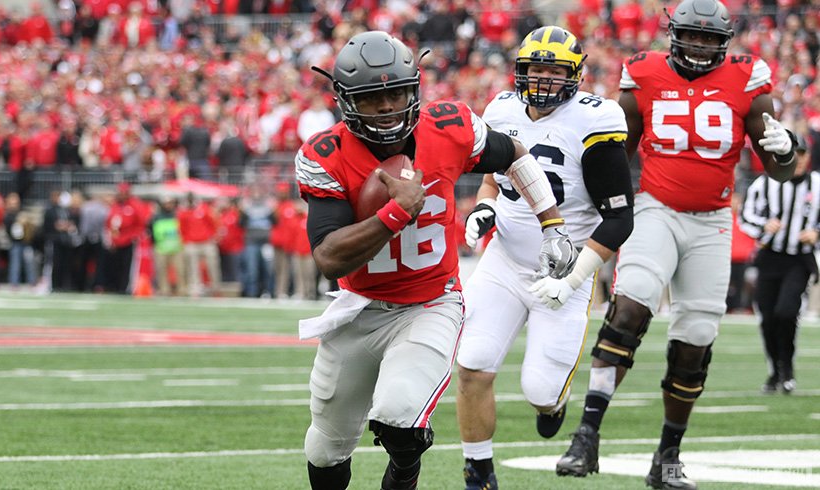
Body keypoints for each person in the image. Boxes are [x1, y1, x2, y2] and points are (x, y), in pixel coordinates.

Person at [296, 30, 577, 490]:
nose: (387, 107)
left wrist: (552, 222)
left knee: (400, 416)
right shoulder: (324, 154)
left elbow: (515, 156)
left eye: (397, 93)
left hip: (431, 303)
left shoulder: (449, 127)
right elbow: (329, 257)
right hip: (360, 307)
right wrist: (394, 214)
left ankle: (404, 467)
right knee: (325, 448)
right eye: (372, 99)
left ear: (415, 90)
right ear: (346, 101)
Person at [554, 1, 799, 489]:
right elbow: (615, 152)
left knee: (696, 341)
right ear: (675, 34)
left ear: (725, 42)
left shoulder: (748, 80)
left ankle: (667, 455)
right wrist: (603, 212)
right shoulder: (642, 74)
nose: (703, 46)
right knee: (629, 308)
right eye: (695, 36)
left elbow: (780, 169)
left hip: (712, 221)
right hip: (655, 208)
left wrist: (787, 150)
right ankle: (586, 435)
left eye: (712, 39)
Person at [456, 26, 635, 490]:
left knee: (540, 392)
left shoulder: (597, 120)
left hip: (565, 268)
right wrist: (486, 207)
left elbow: (619, 220)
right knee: (473, 362)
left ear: (575, 74)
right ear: (521, 71)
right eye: (537, 68)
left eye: (556, 70)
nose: (544, 79)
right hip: (505, 258)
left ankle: (555, 403)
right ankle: (479, 474)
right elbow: (496, 178)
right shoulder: (501, 109)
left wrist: (573, 281)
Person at [740, 134, 815, 395]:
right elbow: (745, 216)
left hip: (799, 259)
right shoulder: (765, 184)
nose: (801, 159)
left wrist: (817, 233)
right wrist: (764, 225)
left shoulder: (817, 185)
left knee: (786, 312)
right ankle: (775, 371)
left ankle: (787, 368)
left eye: (804, 154)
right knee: (767, 318)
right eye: (797, 153)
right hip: (769, 256)